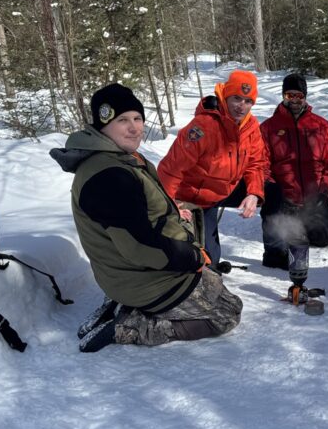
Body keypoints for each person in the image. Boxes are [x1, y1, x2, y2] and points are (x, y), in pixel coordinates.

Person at [50, 83, 242, 352]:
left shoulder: (119, 159)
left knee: (216, 283)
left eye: (137, 118)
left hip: (140, 273)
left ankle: (126, 305)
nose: (134, 128)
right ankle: (130, 327)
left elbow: (139, 213)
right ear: (102, 126)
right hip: (145, 279)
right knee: (228, 312)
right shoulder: (109, 176)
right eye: (122, 120)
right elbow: (139, 246)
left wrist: (174, 213)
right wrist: (192, 257)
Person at [157, 70, 267, 267]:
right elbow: (171, 168)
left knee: (275, 191)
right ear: (225, 96)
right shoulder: (203, 126)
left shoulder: (251, 127)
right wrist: (169, 205)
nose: (241, 106)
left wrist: (253, 193)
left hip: (220, 193)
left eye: (248, 101)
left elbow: (256, 163)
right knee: (201, 260)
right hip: (189, 197)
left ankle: (279, 253)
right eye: (236, 98)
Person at [260, 73, 328, 296]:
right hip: (283, 199)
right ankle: (279, 239)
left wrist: (324, 193)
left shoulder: (321, 126)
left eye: (299, 95)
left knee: (325, 239)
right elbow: (261, 165)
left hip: (313, 200)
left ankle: (303, 227)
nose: (294, 100)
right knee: (277, 256)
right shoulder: (268, 127)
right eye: (290, 95)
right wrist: (273, 190)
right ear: (283, 96)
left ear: (305, 96)